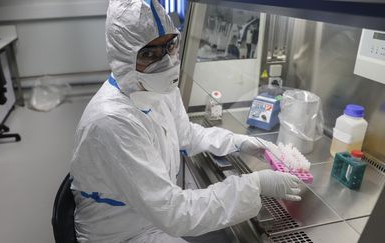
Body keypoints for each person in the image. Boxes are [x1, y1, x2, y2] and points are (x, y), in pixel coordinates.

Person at [69, 0, 302, 242]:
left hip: (151, 219)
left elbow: (185, 134)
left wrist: (240, 143)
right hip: (121, 234)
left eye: (169, 46)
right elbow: (174, 212)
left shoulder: (156, 87)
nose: (167, 63)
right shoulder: (112, 122)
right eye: (149, 54)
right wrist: (254, 185)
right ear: (123, 57)